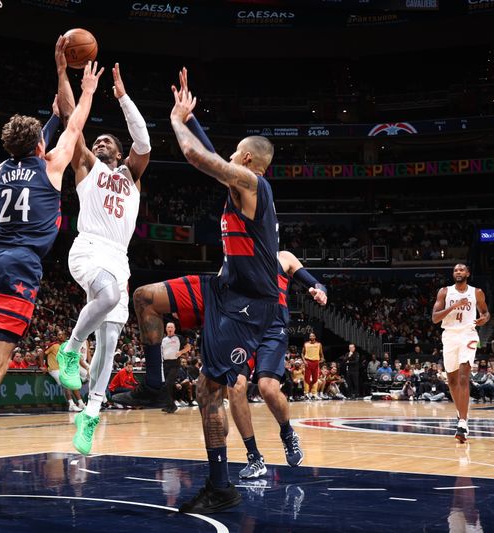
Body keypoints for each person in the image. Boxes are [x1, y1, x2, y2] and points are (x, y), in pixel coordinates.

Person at [114, 68, 279, 514]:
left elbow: (196, 157)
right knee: (145, 297)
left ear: (244, 161)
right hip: (222, 288)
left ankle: (221, 485)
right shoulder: (244, 180)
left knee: (209, 391)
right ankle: (153, 385)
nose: (226, 155)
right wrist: (191, 116)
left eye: (234, 153)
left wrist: (174, 122)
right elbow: (208, 149)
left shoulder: (252, 185)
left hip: (247, 305)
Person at [0, 58, 103, 497]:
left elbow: (43, 136)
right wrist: (82, 88)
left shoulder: (1, 171)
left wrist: (52, 100)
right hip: (19, 264)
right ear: (39, 146)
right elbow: (75, 126)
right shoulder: (51, 167)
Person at [52, 41, 151, 454]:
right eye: (101, 140)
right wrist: (63, 72)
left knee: (110, 344)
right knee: (108, 298)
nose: (104, 143)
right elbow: (72, 118)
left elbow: (143, 140)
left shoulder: (132, 175)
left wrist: (123, 97)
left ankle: (90, 414)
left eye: (111, 140)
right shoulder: (86, 166)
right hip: (90, 247)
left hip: (119, 258)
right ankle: (70, 350)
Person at [229, 250, 327, 479]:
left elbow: (317, 283)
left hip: (273, 330)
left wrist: (319, 291)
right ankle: (254, 457)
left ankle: (287, 432)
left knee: (267, 388)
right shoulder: (235, 259)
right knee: (234, 388)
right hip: (243, 329)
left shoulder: (283, 257)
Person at [431, 263, 490, 442]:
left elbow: (486, 312)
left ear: (468, 273)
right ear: (453, 274)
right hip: (449, 335)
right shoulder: (444, 292)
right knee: (452, 380)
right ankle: (460, 413)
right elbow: (435, 318)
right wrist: (455, 305)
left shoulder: (477, 292)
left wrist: (483, 320)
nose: (458, 272)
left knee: (464, 377)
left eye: (462, 270)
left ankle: (463, 423)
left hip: (468, 334)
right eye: (456, 270)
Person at [44, 330, 85, 412]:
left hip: (64, 369)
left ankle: (81, 403)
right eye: (59, 335)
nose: (60, 336)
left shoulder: (68, 346)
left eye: (62, 334)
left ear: (66, 336)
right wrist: (43, 366)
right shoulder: (53, 345)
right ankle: (71, 405)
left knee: (73, 382)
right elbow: (42, 353)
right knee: (66, 383)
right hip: (54, 369)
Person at [161, 322, 191, 414]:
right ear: (166, 329)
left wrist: (181, 352)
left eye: (171, 327)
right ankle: (169, 406)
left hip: (175, 363)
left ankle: (172, 406)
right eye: (168, 327)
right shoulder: (163, 339)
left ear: (174, 329)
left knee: (168, 384)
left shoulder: (179, 338)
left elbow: (188, 347)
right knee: (168, 385)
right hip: (165, 363)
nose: (170, 328)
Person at [302, 332, 324, 399]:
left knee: (315, 378)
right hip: (308, 362)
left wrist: (322, 359)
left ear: (315, 337)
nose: (311, 337)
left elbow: (321, 353)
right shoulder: (306, 344)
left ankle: (314, 393)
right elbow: (302, 353)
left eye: (312, 336)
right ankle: (306, 393)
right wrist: (304, 361)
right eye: (310, 336)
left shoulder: (319, 344)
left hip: (316, 362)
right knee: (307, 378)